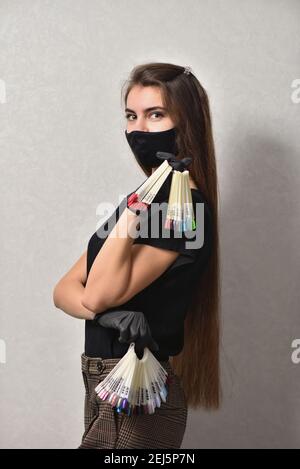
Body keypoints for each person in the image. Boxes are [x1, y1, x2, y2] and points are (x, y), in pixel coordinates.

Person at [53, 62, 221, 449]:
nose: (138, 129)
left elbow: (91, 293)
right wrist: (105, 313)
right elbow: (62, 289)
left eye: (156, 114)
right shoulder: (145, 200)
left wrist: (130, 215)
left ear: (187, 123)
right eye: (132, 115)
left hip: (135, 387)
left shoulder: (183, 212)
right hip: (103, 381)